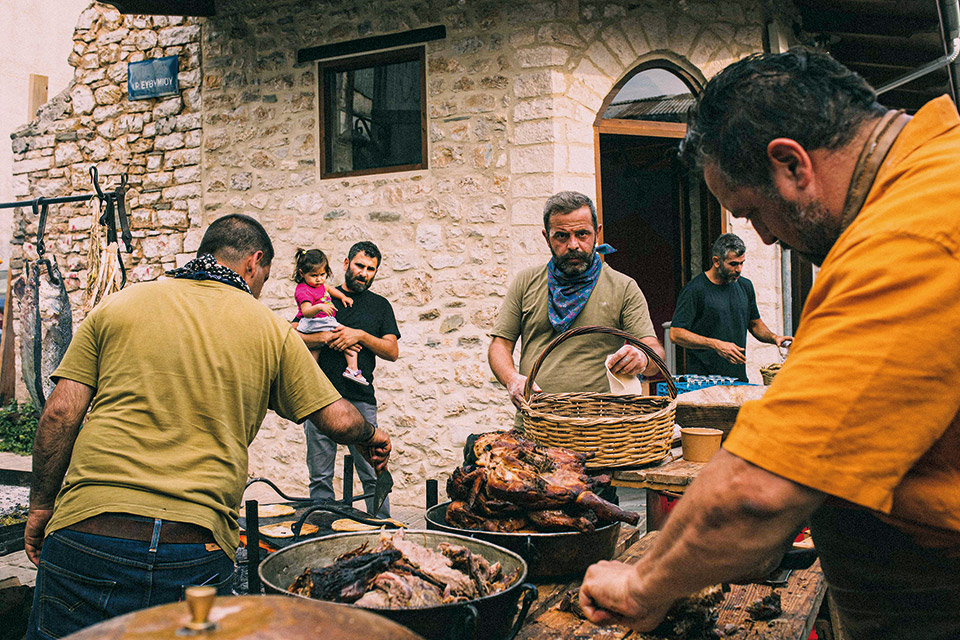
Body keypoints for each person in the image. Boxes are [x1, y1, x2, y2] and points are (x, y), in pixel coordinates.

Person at [579, 49, 960, 640]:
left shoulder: (918, 231)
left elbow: (757, 493)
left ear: (791, 164)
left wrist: (639, 584)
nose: (762, 237)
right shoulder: (933, 170)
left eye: (752, 211)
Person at [24, 214, 391, 640]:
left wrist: (40, 507)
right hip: (194, 547)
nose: (260, 288)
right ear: (254, 263)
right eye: (265, 277)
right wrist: (371, 434)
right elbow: (336, 419)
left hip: (86, 536)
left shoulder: (118, 305)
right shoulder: (269, 328)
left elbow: (60, 415)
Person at [489, 190, 665, 409]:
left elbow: (654, 351)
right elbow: (499, 346)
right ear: (547, 238)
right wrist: (512, 379)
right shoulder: (525, 282)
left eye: (582, 234)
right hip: (533, 422)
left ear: (597, 233)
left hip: (600, 426)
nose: (573, 245)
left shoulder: (623, 287)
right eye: (561, 236)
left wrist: (642, 357)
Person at [297, 241, 399, 518]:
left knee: (372, 475)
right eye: (359, 266)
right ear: (346, 263)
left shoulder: (380, 306)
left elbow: (392, 351)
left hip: (361, 401)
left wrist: (360, 336)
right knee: (320, 478)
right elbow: (290, 333)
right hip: (320, 400)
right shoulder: (321, 297)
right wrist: (320, 338)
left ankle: (382, 532)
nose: (364, 273)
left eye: (371, 269)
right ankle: (322, 535)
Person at [670, 232, 791, 382]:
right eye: (733, 264)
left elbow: (755, 324)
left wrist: (775, 338)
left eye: (742, 263)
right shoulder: (694, 290)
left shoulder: (746, 286)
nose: (739, 269)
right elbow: (676, 334)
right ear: (716, 261)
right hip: (704, 382)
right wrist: (715, 344)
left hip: (738, 380)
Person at [292, 248, 367, 385]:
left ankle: (309, 376)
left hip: (316, 323)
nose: (320, 279)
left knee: (314, 352)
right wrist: (320, 307)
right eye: (314, 275)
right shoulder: (304, 291)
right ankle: (352, 369)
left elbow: (330, 289)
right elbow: (306, 311)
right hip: (316, 321)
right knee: (347, 336)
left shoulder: (318, 285)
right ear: (302, 273)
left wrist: (343, 297)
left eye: (323, 274)